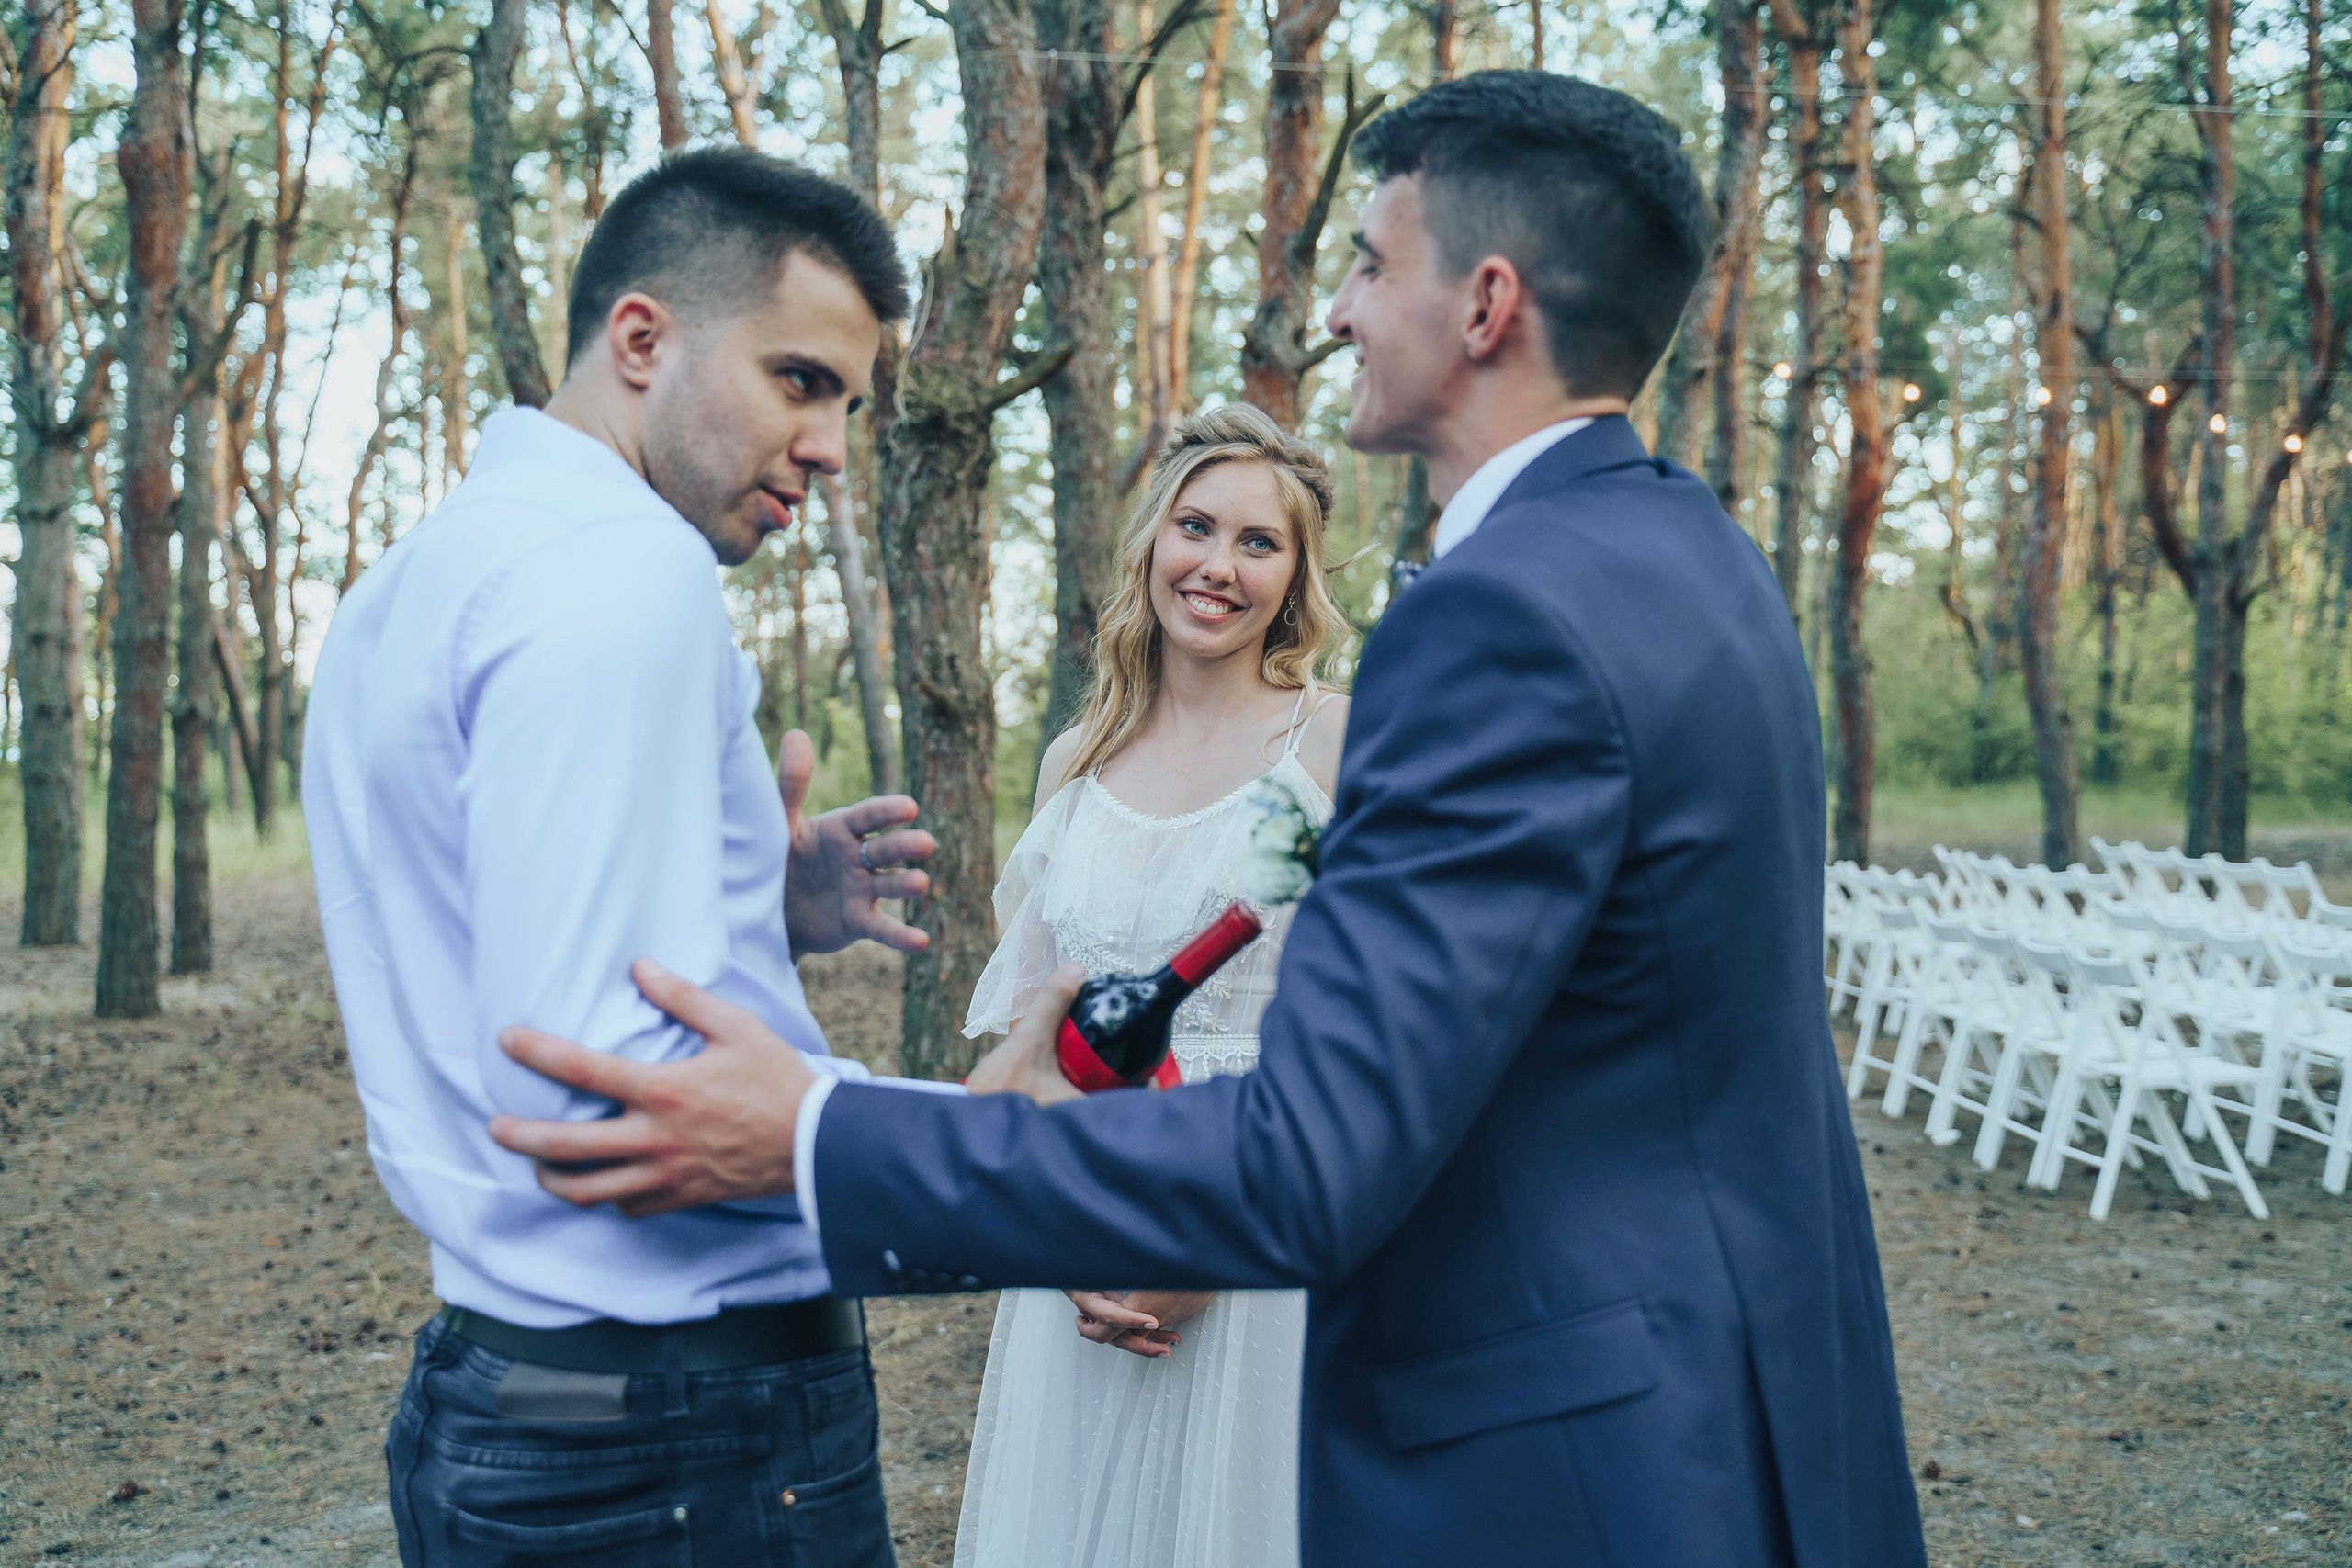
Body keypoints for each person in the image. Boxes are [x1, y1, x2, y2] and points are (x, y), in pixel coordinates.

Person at [489, 73, 1929, 1567]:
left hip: (1582, 1455)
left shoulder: (1498, 622)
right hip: (1737, 1409)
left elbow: (1320, 1141)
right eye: (1195, 527)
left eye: (1370, 263)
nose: (1343, 310)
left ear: (1487, 303)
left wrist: (821, 1134)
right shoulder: (1696, 558)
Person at [301, 147, 948, 1566]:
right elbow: (609, 1094)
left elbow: (486, 941)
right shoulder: (623, 565)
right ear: (642, 339)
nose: (831, 448)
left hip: (512, 1394)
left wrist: (751, 906)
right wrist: (1002, 1139)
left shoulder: (410, 583)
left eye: (846, 403)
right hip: (685, 1444)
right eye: (800, 380)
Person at [956, 402, 1348, 1568]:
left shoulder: (1327, 744)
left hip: (1263, 1226)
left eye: (1258, 542)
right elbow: (1027, 1042)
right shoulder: (1080, 761)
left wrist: (1215, 1247)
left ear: (1295, 577)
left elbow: (1363, 1028)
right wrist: (1065, 1239)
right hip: (1086, 1233)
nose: (1218, 565)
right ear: (1153, 543)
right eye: (1196, 527)